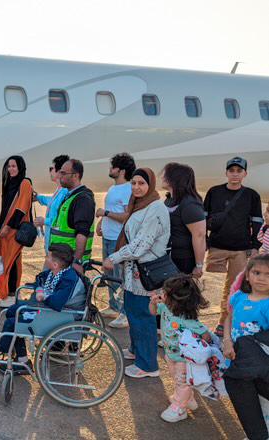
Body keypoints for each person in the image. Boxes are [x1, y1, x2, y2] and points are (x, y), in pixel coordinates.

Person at [103, 168, 170, 379]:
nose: (137, 187)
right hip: (133, 272)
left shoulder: (155, 208)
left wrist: (114, 257)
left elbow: (142, 243)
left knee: (143, 316)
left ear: (150, 185)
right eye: (133, 183)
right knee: (132, 311)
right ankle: (135, 350)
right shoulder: (138, 205)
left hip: (146, 273)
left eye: (142, 183)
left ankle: (148, 365)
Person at [0, 244, 85, 374]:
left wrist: (44, 296)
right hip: (51, 311)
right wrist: (39, 290)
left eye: (47, 257)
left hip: (61, 316)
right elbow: (40, 277)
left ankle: (9, 352)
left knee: (12, 322)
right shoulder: (58, 272)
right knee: (12, 310)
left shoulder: (68, 279)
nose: (45, 258)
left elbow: (56, 303)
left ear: (55, 264)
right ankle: (15, 350)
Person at [204, 157, 263, 337]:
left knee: (233, 288)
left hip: (240, 249)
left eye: (239, 171)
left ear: (245, 173)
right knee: (203, 283)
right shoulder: (214, 192)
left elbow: (257, 222)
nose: (235, 174)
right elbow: (203, 218)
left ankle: (224, 322)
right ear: (226, 172)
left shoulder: (252, 195)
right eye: (232, 170)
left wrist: (255, 246)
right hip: (216, 248)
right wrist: (203, 240)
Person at [149, 275, 211, 423]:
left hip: (184, 360)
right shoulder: (166, 308)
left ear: (176, 300)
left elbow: (206, 335)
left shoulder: (188, 319)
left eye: (165, 292)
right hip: (171, 355)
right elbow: (153, 312)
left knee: (182, 382)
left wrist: (199, 347)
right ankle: (188, 399)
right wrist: (152, 303)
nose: (162, 293)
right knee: (177, 379)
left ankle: (179, 408)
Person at [223, 254, 269, 440]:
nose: (262, 278)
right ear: (247, 275)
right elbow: (229, 317)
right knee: (246, 400)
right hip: (235, 357)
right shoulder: (238, 297)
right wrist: (227, 340)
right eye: (257, 272)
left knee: (263, 404)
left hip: (259, 366)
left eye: (268, 274)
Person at [0, 156, 33, 308]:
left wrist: (9, 226)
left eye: (14, 166)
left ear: (20, 167)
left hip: (14, 231)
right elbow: (5, 208)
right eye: (9, 166)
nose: (11, 169)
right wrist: (0, 224)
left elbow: (21, 208)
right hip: (4, 231)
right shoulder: (9, 183)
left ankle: (12, 295)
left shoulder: (25, 183)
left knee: (12, 262)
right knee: (3, 262)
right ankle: (5, 295)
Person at [95, 153, 135, 329]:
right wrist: (101, 222)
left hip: (119, 240)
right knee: (110, 275)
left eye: (113, 167)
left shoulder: (127, 190)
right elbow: (111, 210)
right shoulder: (113, 188)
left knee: (120, 278)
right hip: (108, 237)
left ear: (122, 170)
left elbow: (127, 216)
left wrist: (105, 213)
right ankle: (114, 306)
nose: (110, 169)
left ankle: (125, 314)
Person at [49, 159, 96, 274]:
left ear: (75, 175)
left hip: (69, 262)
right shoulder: (70, 196)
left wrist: (77, 261)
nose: (59, 176)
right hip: (60, 260)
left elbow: (82, 233)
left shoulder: (83, 199)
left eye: (63, 173)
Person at [162, 163, 206, 277]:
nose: (162, 177)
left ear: (175, 178)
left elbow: (199, 235)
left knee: (181, 288)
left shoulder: (190, 204)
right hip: (169, 256)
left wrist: (199, 265)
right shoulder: (169, 200)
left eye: (166, 174)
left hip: (184, 260)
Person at [34, 154, 70, 254]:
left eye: (51, 168)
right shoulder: (60, 190)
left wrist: (44, 221)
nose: (50, 171)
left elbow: (61, 220)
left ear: (59, 171)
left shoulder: (64, 192)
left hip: (57, 245)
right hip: (52, 243)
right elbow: (52, 202)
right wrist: (38, 198)